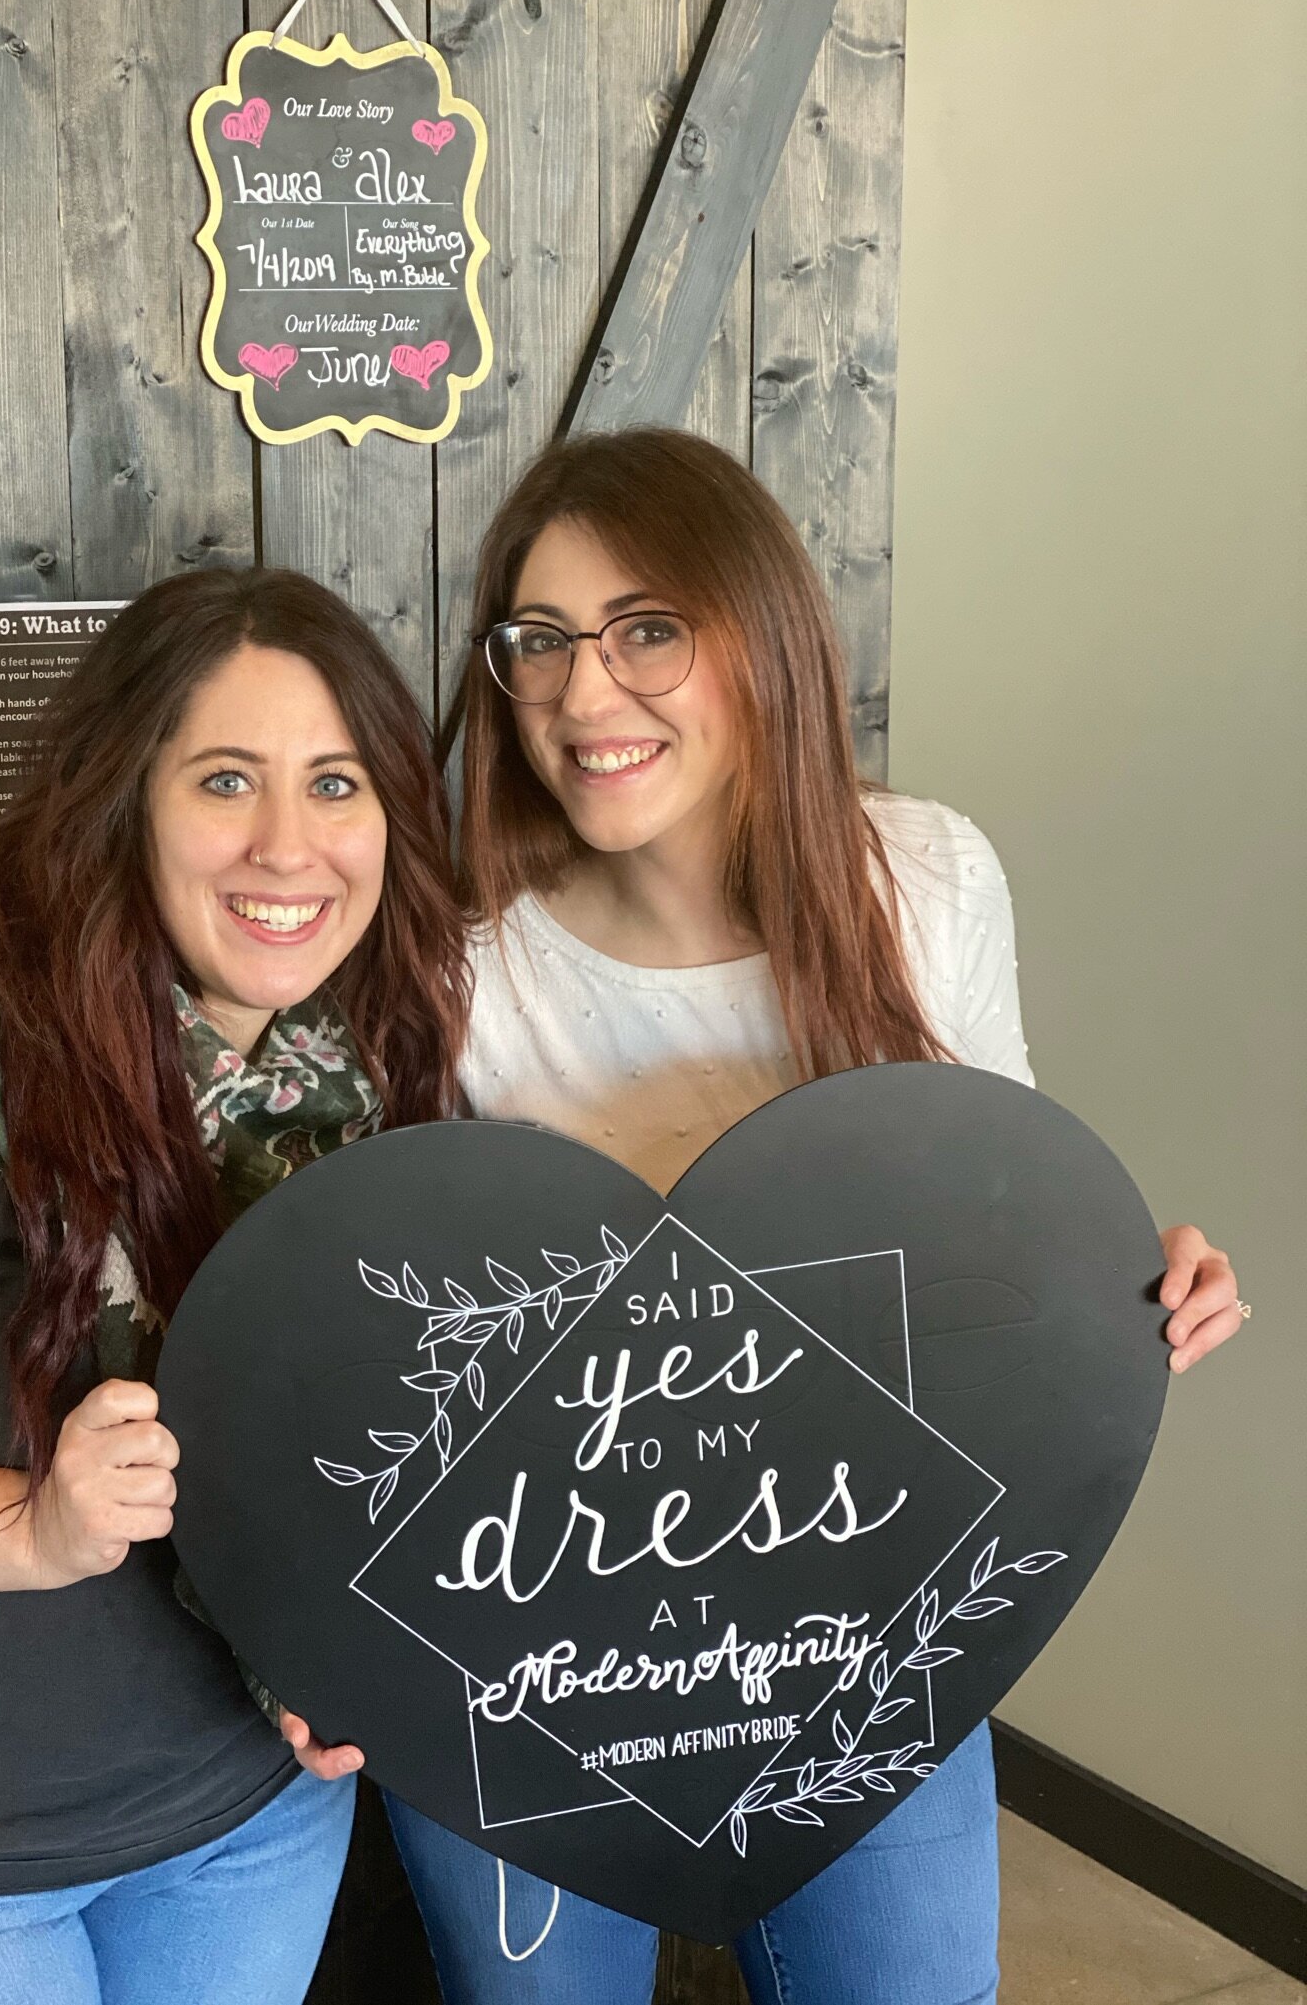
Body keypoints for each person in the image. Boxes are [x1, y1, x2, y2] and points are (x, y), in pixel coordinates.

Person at [371, 427, 1244, 2005]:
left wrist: (1128, 1302)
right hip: (538, 1655)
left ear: (758, 632)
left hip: (867, 1630)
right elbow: (407, 1360)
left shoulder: (925, 877)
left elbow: (1003, 1207)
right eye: (540, 641)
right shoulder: (460, 976)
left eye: (646, 628)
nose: (582, 694)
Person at [0, 568, 468, 2005]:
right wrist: (34, 1524)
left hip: (243, 1813)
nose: (290, 844)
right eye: (228, 779)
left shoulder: (368, 1070)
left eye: (337, 782)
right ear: (122, 799)